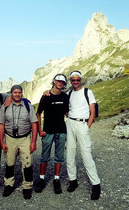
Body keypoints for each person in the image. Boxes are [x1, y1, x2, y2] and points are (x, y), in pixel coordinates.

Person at [0, 85, 38, 199]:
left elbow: (34, 124)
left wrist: (33, 141)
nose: (17, 94)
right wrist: (2, 142)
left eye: (19, 92)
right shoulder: (5, 107)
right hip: (10, 138)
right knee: (10, 163)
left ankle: (27, 187)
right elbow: (1, 124)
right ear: (11, 93)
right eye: (15, 92)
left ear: (22, 93)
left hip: (25, 138)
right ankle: (9, 185)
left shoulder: (28, 106)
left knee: (27, 163)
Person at [66, 70, 101, 200]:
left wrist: (87, 127)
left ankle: (96, 185)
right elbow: (66, 108)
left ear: (81, 80)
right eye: (73, 80)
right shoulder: (69, 93)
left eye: (77, 80)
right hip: (70, 123)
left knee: (86, 154)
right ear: (71, 81)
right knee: (70, 153)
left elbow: (93, 111)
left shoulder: (88, 92)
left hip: (82, 125)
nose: (75, 82)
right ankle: (73, 181)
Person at [35, 74, 69, 194]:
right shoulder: (45, 96)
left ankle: (56, 179)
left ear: (64, 84)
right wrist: (40, 130)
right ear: (54, 81)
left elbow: (67, 113)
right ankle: (41, 179)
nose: (60, 83)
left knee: (59, 157)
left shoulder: (65, 97)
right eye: (58, 81)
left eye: (63, 82)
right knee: (44, 156)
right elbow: (38, 113)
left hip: (61, 131)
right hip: (48, 131)